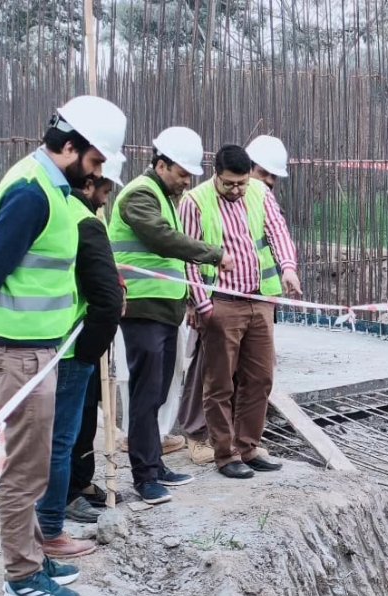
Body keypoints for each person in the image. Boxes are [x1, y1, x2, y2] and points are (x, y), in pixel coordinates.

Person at [0, 95, 127, 596]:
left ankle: (32, 559)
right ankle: (22, 577)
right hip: (17, 353)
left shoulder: (48, 185)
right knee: (25, 471)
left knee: (38, 464)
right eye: (93, 162)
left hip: (38, 350)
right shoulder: (32, 193)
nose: (96, 175)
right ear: (69, 146)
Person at [108, 127, 234, 505]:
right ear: (160, 164)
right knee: (145, 395)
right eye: (181, 172)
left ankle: (156, 464)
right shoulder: (140, 196)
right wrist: (213, 253)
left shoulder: (166, 196)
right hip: (141, 309)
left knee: (159, 392)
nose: (186, 180)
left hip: (164, 309)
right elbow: (163, 239)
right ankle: (144, 476)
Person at [181, 144, 301, 479]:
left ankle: (249, 445)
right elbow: (189, 257)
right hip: (222, 303)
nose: (236, 190)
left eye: (242, 183)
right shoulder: (195, 201)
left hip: (259, 299)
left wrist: (288, 268)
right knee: (219, 384)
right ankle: (225, 453)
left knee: (260, 378)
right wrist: (204, 305)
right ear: (215, 174)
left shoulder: (259, 192)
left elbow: (278, 232)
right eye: (229, 184)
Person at [37, 157, 126, 557]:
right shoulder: (82, 219)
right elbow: (106, 302)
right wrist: (90, 351)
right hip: (72, 347)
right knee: (62, 439)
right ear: (90, 185)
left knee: (56, 435)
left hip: (49, 342)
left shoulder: (56, 208)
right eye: (105, 193)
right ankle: (53, 522)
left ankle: (61, 499)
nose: (106, 203)